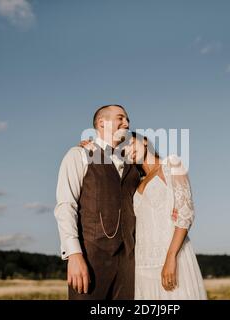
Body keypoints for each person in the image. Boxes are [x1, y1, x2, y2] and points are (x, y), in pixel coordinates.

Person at [54, 105, 140, 300]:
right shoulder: (78, 155)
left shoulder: (134, 163)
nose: (126, 123)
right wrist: (74, 255)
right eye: (121, 118)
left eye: (127, 119)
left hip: (129, 263)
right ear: (102, 122)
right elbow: (66, 205)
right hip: (91, 259)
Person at [127, 132, 207, 299]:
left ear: (145, 142)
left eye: (131, 143)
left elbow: (185, 214)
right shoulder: (137, 182)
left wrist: (171, 258)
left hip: (169, 257)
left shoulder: (171, 164)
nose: (128, 150)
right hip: (141, 264)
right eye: (123, 150)